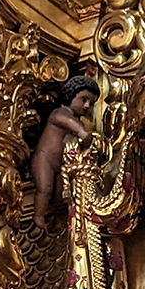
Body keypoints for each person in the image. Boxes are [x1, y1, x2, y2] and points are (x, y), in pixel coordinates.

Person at [31, 75, 99, 231]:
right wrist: (82, 133)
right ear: (70, 96)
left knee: (59, 195)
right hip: (44, 159)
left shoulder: (78, 121)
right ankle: (38, 215)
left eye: (91, 103)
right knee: (45, 188)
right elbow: (69, 123)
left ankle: (53, 216)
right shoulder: (60, 113)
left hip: (61, 165)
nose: (87, 106)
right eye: (84, 99)